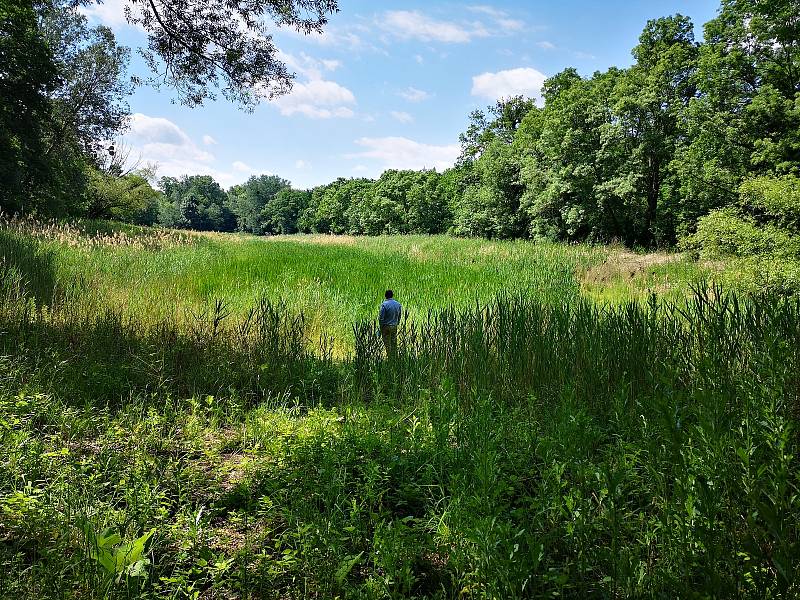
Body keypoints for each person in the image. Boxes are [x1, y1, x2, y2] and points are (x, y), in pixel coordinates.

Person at [378, 289, 402, 358]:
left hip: (386, 326)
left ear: (385, 296)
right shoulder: (398, 304)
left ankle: (390, 357)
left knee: (387, 343)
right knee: (394, 342)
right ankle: (395, 357)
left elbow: (381, 318)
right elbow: (399, 315)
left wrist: (380, 327)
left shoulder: (384, 305)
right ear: (392, 295)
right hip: (394, 326)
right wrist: (397, 323)